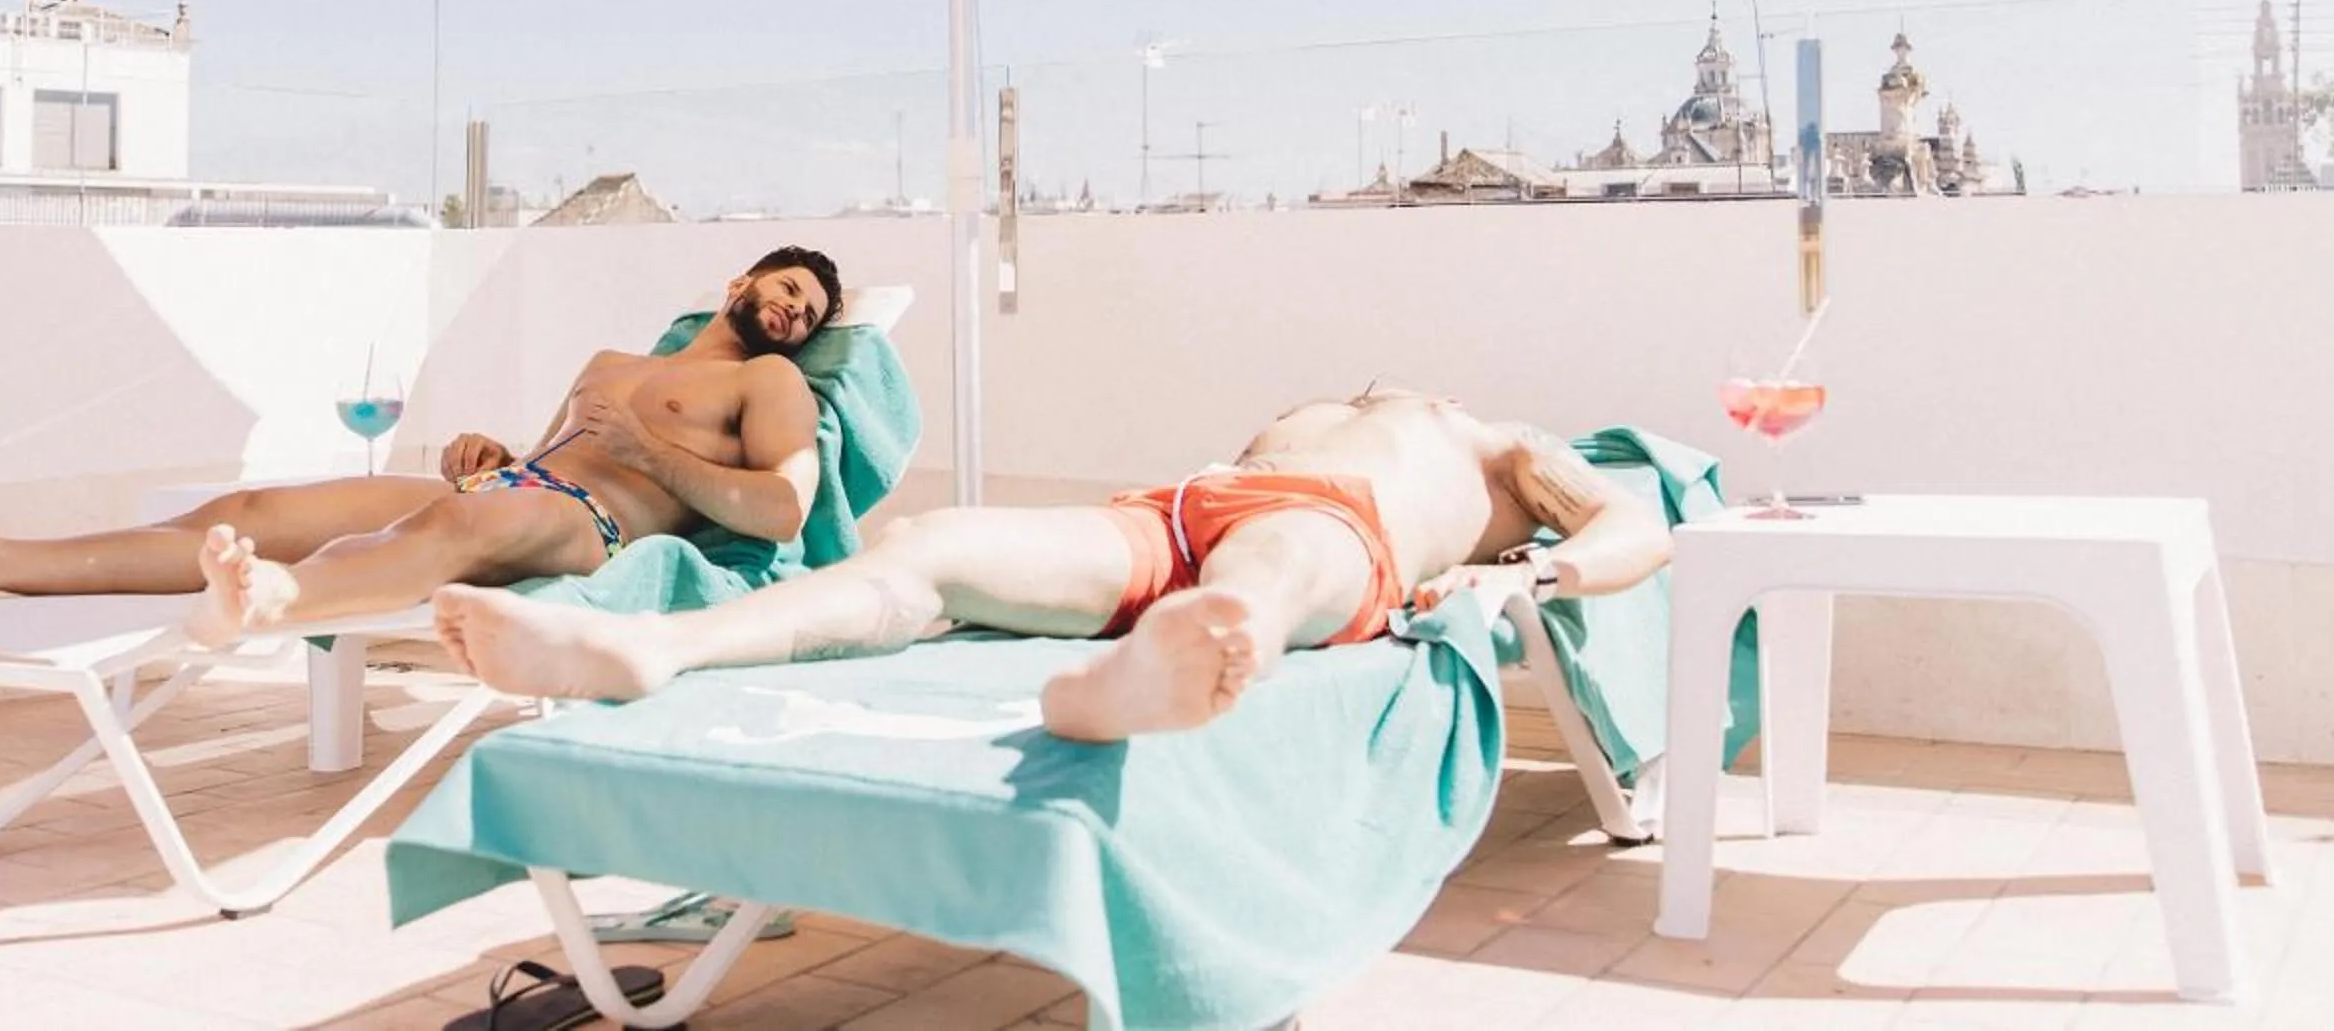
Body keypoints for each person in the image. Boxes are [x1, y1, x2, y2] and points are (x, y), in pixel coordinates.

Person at [430, 384, 1669, 742]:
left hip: (1345, 524)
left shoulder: (1504, 444)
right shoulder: (1328, 406)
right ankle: (652, 645)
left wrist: (1527, 581)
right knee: (931, 544)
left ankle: (1145, 687)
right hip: (1171, 508)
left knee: (1271, 574)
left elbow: (1639, 529)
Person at [0, 247, 845, 646]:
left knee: (454, 524)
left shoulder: (770, 383)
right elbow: (542, 458)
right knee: (255, 513)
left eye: (812, 310)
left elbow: (782, 511)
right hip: (523, 494)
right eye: (789, 289)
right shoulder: (614, 357)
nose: (797, 313)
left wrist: (653, 460)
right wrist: (480, 455)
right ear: (737, 283)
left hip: (600, 528)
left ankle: (279, 601)